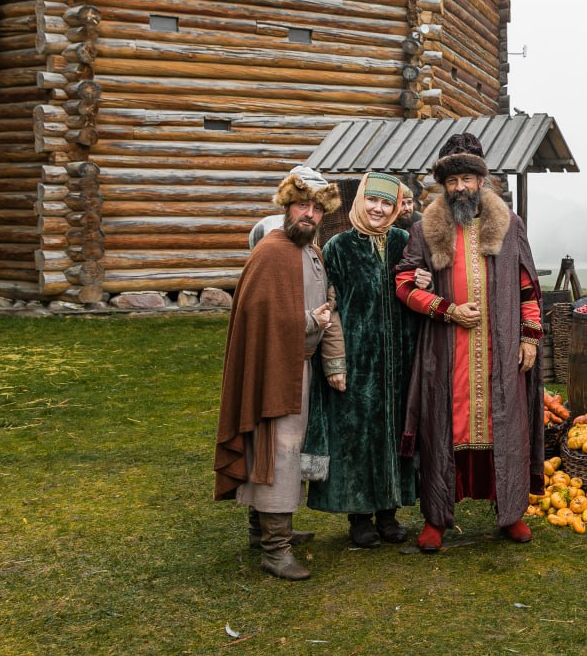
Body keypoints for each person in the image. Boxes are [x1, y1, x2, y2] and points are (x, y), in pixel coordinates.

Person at [394, 133, 544, 553]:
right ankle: (436, 519)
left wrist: (530, 337)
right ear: (444, 185)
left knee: (506, 427)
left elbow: (528, 289)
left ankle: (510, 512)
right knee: (441, 426)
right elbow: (404, 284)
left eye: (468, 178)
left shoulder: (509, 226)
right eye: (453, 180)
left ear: (482, 180)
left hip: (501, 349)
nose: (460, 187)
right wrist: (446, 309)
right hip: (445, 351)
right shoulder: (427, 230)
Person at [215, 166, 346, 581]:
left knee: (282, 450)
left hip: (298, 365)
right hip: (273, 368)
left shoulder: (310, 250)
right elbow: (260, 317)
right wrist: (310, 320)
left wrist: (321, 327)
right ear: (287, 206)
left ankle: (263, 530)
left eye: (315, 209)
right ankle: (275, 548)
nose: (308, 214)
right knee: (280, 451)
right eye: (301, 206)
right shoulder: (271, 251)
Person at [304, 172, 420, 548]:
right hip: (357, 360)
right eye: (373, 200)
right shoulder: (338, 247)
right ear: (360, 201)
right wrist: (335, 362)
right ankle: (360, 517)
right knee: (358, 437)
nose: (378, 208)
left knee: (394, 432)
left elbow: (419, 288)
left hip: (400, 359)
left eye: (387, 203)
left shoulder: (405, 241)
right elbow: (330, 308)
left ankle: (389, 512)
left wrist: (424, 280)